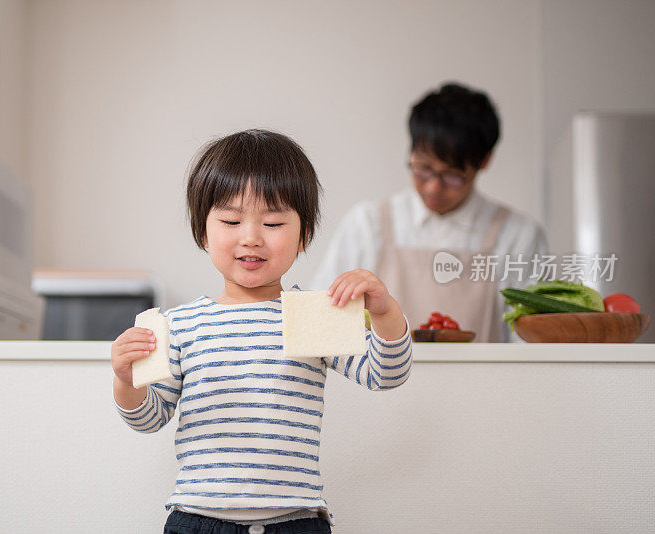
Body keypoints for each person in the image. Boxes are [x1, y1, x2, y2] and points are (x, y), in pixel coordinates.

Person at [111, 129, 412, 533]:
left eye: (272, 222)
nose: (251, 237)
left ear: (304, 234)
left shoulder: (312, 313)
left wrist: (384, 310)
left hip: (295, 521)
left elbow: (386, 375)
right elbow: (148, 419)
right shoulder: (179, 325)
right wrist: (125, 380)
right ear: (203, 231)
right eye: (231, 220)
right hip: (198, 520)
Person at [311, 83, 548, 342]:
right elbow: (321, 317)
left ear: (485, 161)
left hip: (483, 383)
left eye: (452, 175)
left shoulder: (517, 236)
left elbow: (529, 341)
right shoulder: (368, 224)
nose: (433, 187)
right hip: (380, 382)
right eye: (423, 168)